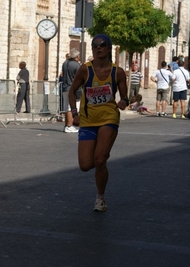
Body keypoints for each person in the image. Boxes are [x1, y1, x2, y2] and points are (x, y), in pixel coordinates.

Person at [68, 34, 129, 212]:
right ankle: (100, 163)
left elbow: (124, 96)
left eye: (102, 45)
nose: (98, 48)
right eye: (94, 46)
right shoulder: (85, 70)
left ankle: (100, 198)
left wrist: (124, 101)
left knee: (100, 159)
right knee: (85, 165)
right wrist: (74, 113)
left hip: (109, 118)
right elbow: (72, 92)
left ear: (109, 48)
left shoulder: (117, 72)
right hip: (88, 120)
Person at [61, 48, 81, 133]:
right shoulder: (76, 65)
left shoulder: (65, 63)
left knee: (67, 108)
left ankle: (66, 125)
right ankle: (69, 126)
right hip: (73, 88)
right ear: (76, 57)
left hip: (65, 87)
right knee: (71, 107)